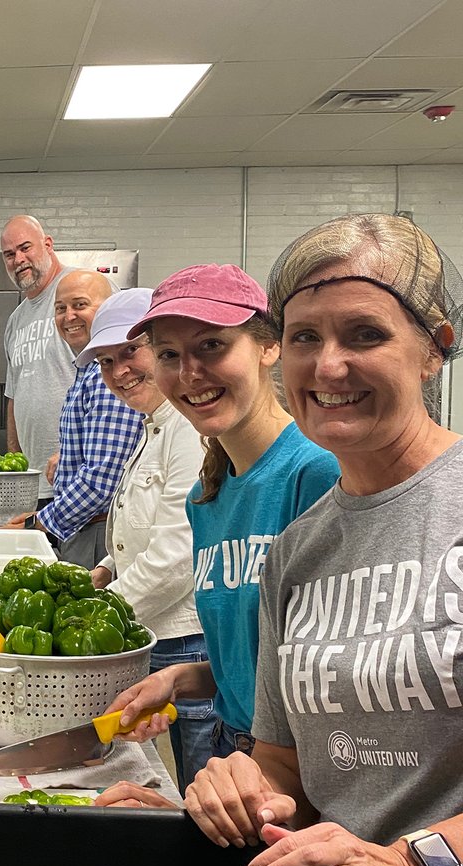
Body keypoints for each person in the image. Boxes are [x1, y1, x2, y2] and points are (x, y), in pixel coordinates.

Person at [181, 215, 463, 866]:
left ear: (437, 347)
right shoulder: (301, 549)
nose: (328, 364)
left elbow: (408, 863)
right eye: (304, 336)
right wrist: (231, 788)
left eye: (364, 334)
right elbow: (287, 771)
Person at [99, 263, 339, 775]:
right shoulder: (206, 498)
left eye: (212, 346)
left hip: (306, 764)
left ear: (267, 347)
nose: (189, 373)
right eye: (169, 354)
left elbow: (333, 678)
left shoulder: (316, 474)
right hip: (235, 744)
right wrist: (180, 680)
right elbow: (250, 660)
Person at [71, 288, 212, 790]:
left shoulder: (190, 430)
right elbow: (150, 520)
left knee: (202, 783)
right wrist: (108, 565)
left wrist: (93, 615)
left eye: (130, 352)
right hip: (158, 627)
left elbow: (179, 555)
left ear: (164, 349)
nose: (119, 371)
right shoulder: (155, 424)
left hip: (187, 640)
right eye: (106, 361)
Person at [34, 268, 141, 567]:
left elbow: (101, 478)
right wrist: (67, 455)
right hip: (83, 526)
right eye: (60, 308)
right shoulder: (88, 372)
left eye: (80, 305)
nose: (69, 316)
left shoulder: (109, 377)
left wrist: (39, 524)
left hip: (96, 532)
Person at [0, 215, 75, 502]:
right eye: (9, 254)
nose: (18, 259)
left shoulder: (80, 290)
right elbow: (14, 394)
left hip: (78, 477)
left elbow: (113, 377)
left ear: (47, 244)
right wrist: (13, 460)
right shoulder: (16, 320)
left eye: (25, 248)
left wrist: (78, 450)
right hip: (34, 483)